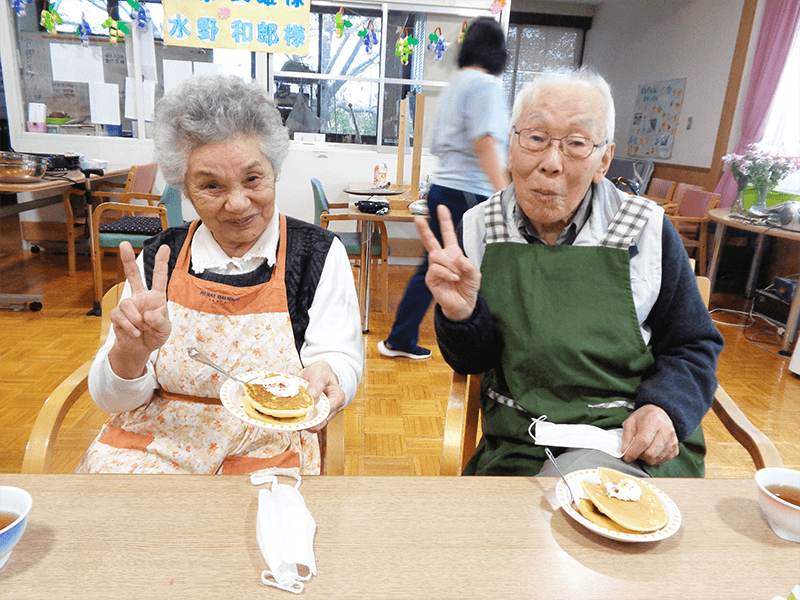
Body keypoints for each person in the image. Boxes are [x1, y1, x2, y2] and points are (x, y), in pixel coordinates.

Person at [417, 68, 724, 477]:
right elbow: (472, 361)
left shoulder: (645, 228)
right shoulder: (478, 227)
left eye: (577, 144)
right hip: (522, 442)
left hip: (629, 444)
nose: (551, 163)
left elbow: (693, 343)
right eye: (536, 138)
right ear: (512, 145)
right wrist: (460, 317)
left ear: (604, 160)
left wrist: (666, 408)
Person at [76, 75, 363, 475]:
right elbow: (112, 401)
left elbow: (339, 355)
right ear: (185, 190)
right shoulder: (160, 258)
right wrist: (131, 353)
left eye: (253, 178)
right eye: (211, 185)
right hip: (156, 445)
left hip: (268, 443)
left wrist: (331, 374)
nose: (238, 203)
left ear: (274, 171)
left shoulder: (317, 253)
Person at [378, 17, 511, 360]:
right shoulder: (484, 84)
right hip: (468, 192)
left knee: (434, 266)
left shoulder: (456, 84)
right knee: (467, 267)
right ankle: (480, 338)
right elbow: (485, 143)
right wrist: (505, 195)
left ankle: (400, 338)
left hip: (444, 188)